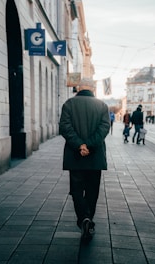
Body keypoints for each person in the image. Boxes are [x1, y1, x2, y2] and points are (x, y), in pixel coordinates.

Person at [59, 78, 110, 242]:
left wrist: (80, 145)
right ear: (94, 88)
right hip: (95, 157)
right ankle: (88, 218)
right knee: (92, 191)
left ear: (79, 88)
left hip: (75, 156)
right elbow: (104, 129)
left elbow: (65, 127)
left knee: (76, 190)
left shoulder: (69, 104)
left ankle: (83, 218)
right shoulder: (102, 106)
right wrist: (89, 145)